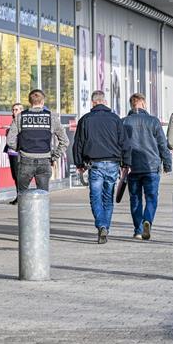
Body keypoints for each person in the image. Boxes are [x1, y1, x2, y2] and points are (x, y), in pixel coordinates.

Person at [73, 91, 131, 244]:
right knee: (108, 198)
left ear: (93, 103)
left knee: (95, 197)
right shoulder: (115, 119)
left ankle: (101, 225)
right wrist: (126, 163)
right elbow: (124, 143)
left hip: (95, 163)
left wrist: (79, 163)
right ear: (104, 101)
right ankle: (106, 226)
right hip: (113, 163)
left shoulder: (85, 120)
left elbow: (78, 143)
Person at [122, 93, 171, 240]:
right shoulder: (153, 121)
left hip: (132, 167)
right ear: (143, 104)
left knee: (135, 199)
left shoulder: (123, 122)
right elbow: (162, 144)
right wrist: (167, 163)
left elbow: (120, 146)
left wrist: (122, 164)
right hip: (151, 166)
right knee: (151, 197)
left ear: (132, 105)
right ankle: (147, 220)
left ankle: (138, 230)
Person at [6, 90, 69, 197]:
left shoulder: (20, 117)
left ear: (30, 101)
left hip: (25, 160)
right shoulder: (51, 117)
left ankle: (24, 214)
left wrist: (20, 149)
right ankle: (42, 214)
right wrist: (54, 156)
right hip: (45, 160)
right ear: (43, 101)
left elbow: (10, 141)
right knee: (43, 196)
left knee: (22, 195)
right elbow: (65, 141)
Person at [4, 103, 24, 205]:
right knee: (15, 176)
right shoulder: (14, 121)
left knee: (19, 176)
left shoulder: (22, 121)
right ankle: (19, 195)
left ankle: (21, 197)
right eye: (13, 110)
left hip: (18, 152)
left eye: (16, 110)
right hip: (11, 152)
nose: (14, 112)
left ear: (21, 110)